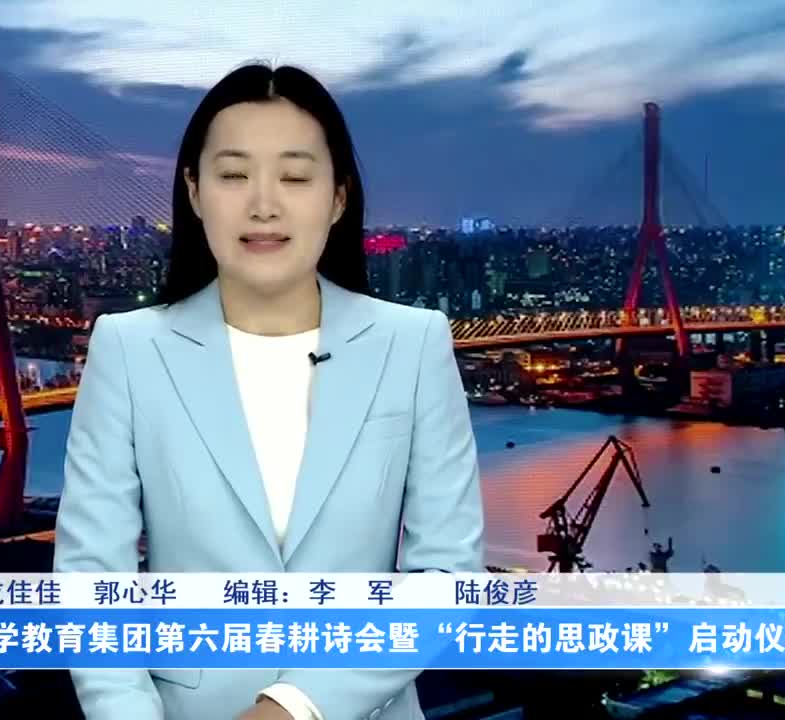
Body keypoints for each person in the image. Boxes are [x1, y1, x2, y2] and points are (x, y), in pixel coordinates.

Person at [53, 61, 485, 720]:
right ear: (194, 192)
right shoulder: (128, 348)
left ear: (337, 197)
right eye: (233, 175)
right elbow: (91, 583)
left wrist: (294, 707)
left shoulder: (414, 344)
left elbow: (447, 578)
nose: (263, 204)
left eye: (295, 176)